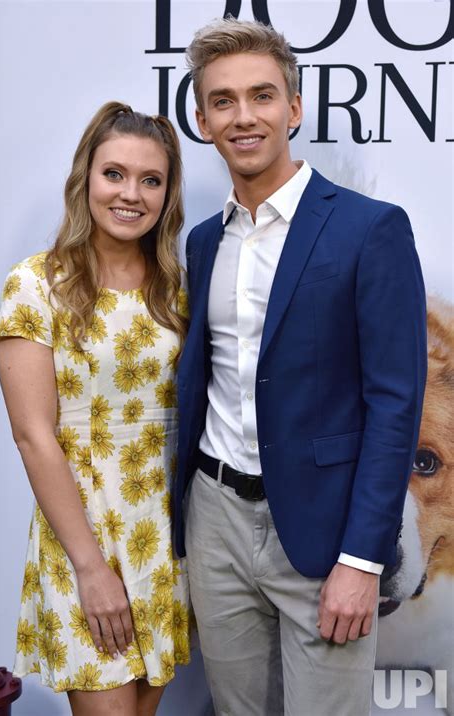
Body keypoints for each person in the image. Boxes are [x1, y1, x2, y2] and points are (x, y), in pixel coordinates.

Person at [173, 18, 427, 716]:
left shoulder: (369, 229)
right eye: (222, 101)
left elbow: (395, 405)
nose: (243, 116)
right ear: (201, 118)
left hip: (324, 533)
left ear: (294, 107)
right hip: (216, 519)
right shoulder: (203, 242)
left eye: (261, 95)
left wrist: (363, 559)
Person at [0, 102, 191, 716]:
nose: (131, 194)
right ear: (85, 180)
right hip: (85, 536)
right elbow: (33, 437)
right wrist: (91, 569)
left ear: (167, 193)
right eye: (114, 174)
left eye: (150, 180)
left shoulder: (178, 289)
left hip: (165, 541)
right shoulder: (36, 284)